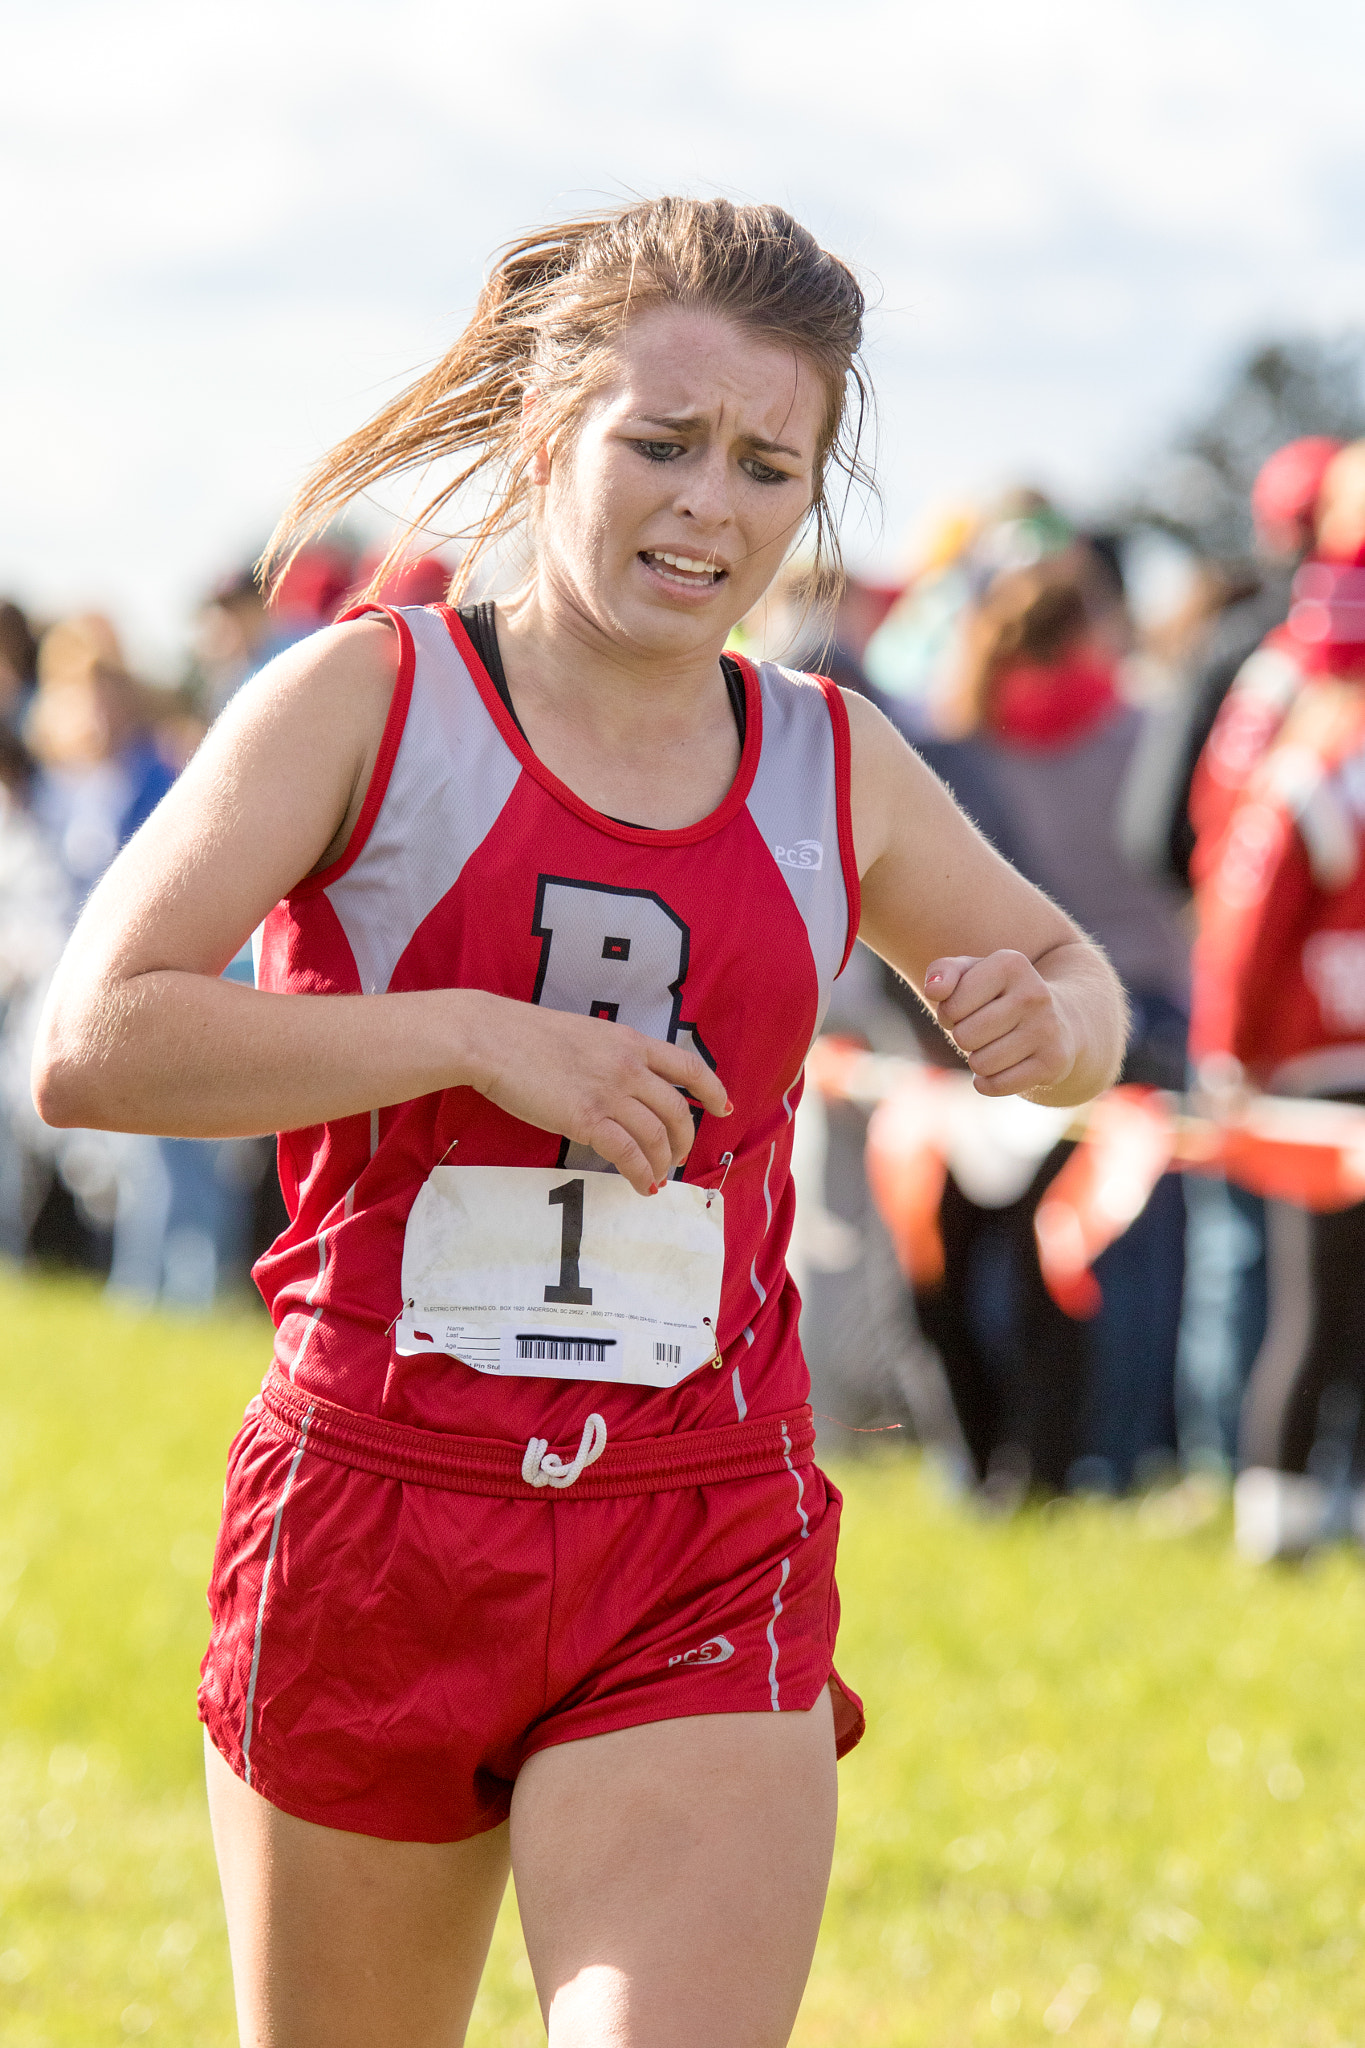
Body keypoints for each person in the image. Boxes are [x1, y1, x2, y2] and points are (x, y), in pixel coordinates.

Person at [32, 197, 1124, 2047]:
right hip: (378, 1506)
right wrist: (471, 1036)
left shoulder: (828, 755)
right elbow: (95, 1042)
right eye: (664, 443)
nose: (712, 505)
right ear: (549, 436)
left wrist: (1059, 1021)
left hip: (699, 1519)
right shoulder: (368, 699)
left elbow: (1070, 977)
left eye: (768, 465)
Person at [1189, 440, 1365, 1521]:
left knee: (1320, 1300)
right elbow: (1244, 895)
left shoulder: (1309, 743)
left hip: (1308, 1053)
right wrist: (1230, 1045)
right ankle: (1280, 1501)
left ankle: (1293, 1499)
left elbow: (1238, 894)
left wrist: (1230, 1042)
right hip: (1316, 1059)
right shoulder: (1308, 746)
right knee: (1311, 1298)